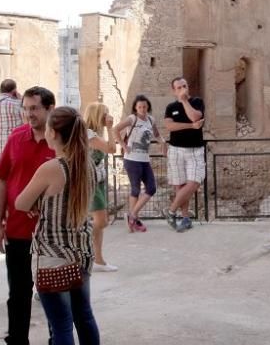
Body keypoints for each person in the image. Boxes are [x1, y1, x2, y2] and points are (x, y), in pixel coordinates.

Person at [15, 106, 101, 345]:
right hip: (81, 252)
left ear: (53, 133)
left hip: (53, 256)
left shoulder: (52, 168)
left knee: (61, 325)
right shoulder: (88, 164)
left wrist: (39, 202)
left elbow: (21, 201)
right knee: (84, 316)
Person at [0, 86, 57, 345]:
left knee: (54, 288)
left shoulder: (60, 142)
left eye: (35, 109)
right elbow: (3, 181)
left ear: (49, 109)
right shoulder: (16, 138)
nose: (29, 114)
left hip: (53, 230)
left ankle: (59, 340)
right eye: (26, 108)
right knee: (18, 291)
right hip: (17, 229)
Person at [115, 95, 163, 233]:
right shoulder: (132, 119)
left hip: (144, 160)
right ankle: (134, 220)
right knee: (135, 189)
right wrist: (124, 146)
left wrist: (163, 143)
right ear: (135, 108)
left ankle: (132, 215)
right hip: (132, 160)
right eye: (139, 107)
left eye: (145, 106)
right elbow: (115, 130)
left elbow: (157, 135)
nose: (142, 109)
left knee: (151, 188)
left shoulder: (151, 119)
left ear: (148, 107)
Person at [162, 77, 205, 233]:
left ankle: (171, 210)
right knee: (179, 185)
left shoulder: (197, 102)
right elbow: (169, 126)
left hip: (195, 150)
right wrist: (190, 126)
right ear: (174, 91)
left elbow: (196, 117)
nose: (182, 90)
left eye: (184, 86)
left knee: (194, 182)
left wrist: (185, 101)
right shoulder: (170, 107)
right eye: (178, 88)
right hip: (176, 150)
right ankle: (185, 218)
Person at [83, 102, 119, 271]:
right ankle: (85, 249)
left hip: (98, 180)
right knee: (101, 221)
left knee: (100, 221)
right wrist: (111, 129)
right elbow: (112, 148)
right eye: (105, 114)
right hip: (91, 183)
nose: (108, 117)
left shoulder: (94, 134)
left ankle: (98, 259)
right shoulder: (89, 134)